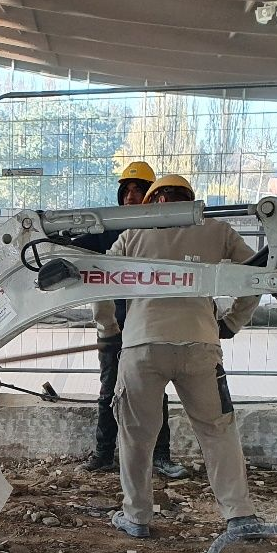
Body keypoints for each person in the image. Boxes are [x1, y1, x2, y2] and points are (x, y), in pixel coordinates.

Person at [95, 174, 262, 539]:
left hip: (142, 348)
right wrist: (233, 321)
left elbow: (99, 280)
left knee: (136, 437)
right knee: (217, 431)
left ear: (152, 201)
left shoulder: (132, 236)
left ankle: (137, 517)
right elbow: (259, 275)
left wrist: (108, 331)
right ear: (190, 200)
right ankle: (239, 515)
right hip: (200, 346)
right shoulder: (217, 231)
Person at [77, 162, 187, 480]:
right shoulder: (107, 228)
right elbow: (75, 246)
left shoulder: (163, 234)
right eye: (126, 191)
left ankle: (161, 457)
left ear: (153, 197)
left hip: (150, 326)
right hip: (114, 327)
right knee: (109, 389)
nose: (130, 197)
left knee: (154, 394)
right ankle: (103, 454)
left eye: (138, 191)